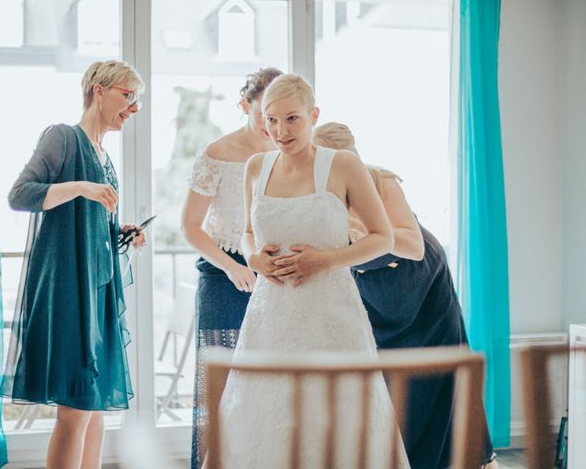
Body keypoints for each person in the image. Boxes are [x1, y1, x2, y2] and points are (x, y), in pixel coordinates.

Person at [215, 75, 409, 468]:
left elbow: (383, 237)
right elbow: (248, 234)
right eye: (270, 120)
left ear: (313, 116)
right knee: (265, 417)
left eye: (291, 119)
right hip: (271, 318)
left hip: (331, 316)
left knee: (334, 417)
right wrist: (254, 259)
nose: (279, 131)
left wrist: (325, 259)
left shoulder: (343, 165)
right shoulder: (256, 167)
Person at [313, 122, 499, 469]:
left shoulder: (380, 181)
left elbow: (411, 245)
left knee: (436, 374)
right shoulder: (313, 190)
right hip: (371, 282)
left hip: (419, 279)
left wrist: (364, 231)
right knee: (385, 382)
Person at [0, 60, 145, 469]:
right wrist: (81, 187)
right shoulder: (62, 137)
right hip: (66, 290)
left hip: (96, 290)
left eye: (137, 101)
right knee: (76, 409)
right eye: (128, 96)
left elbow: (91, 227)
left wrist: (124, 232)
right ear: (99, 91)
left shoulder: (105, 156)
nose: (134, 108)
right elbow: (19, 195)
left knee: (94, 408)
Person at [181, 68, 282, 469]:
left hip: (274, 275)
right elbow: (189, 226)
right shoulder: (216, 155)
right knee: (219, 385)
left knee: (270, 380)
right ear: (245, 106)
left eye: (281, 115)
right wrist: (229, 267)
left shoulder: (285, 153)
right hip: (224, 277)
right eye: (264, 114)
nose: (273, 126)